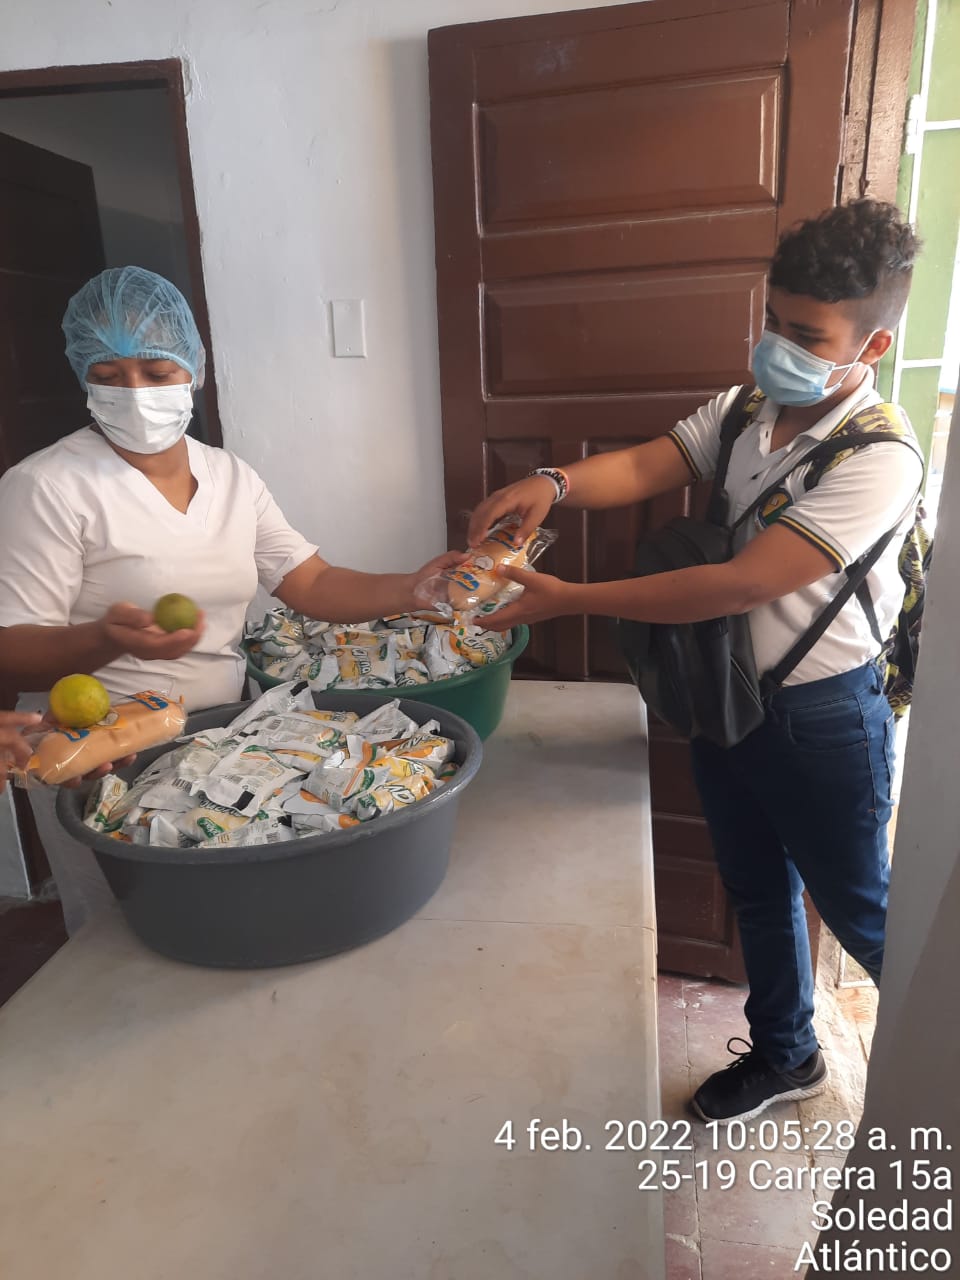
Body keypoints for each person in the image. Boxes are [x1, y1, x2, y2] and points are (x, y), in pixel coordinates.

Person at [468, 200, 923, 1123]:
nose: (778, 347)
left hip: (823, 719)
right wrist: (553, 483)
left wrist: (572, 599)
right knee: (754, 886)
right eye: (774, 320)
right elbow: (646, 467)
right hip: (725, 696)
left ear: (870, 347)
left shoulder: (882, 458)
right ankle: (787, 1055)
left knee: (865, 914)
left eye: (808, 336)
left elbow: (739, 584)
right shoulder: (749, 409)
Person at [0, 266, 462, 933]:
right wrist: (106, 639)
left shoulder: (230, 477)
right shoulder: (47, 487)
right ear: (84, 377)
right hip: (99, 758)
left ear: (193, 370)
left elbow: (310, 581)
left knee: (230, 922)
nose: (136, 393)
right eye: (109, 375)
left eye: (157, 372)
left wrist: (414, 588)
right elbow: (14, 649)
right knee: (120, 940)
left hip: (221, 741)